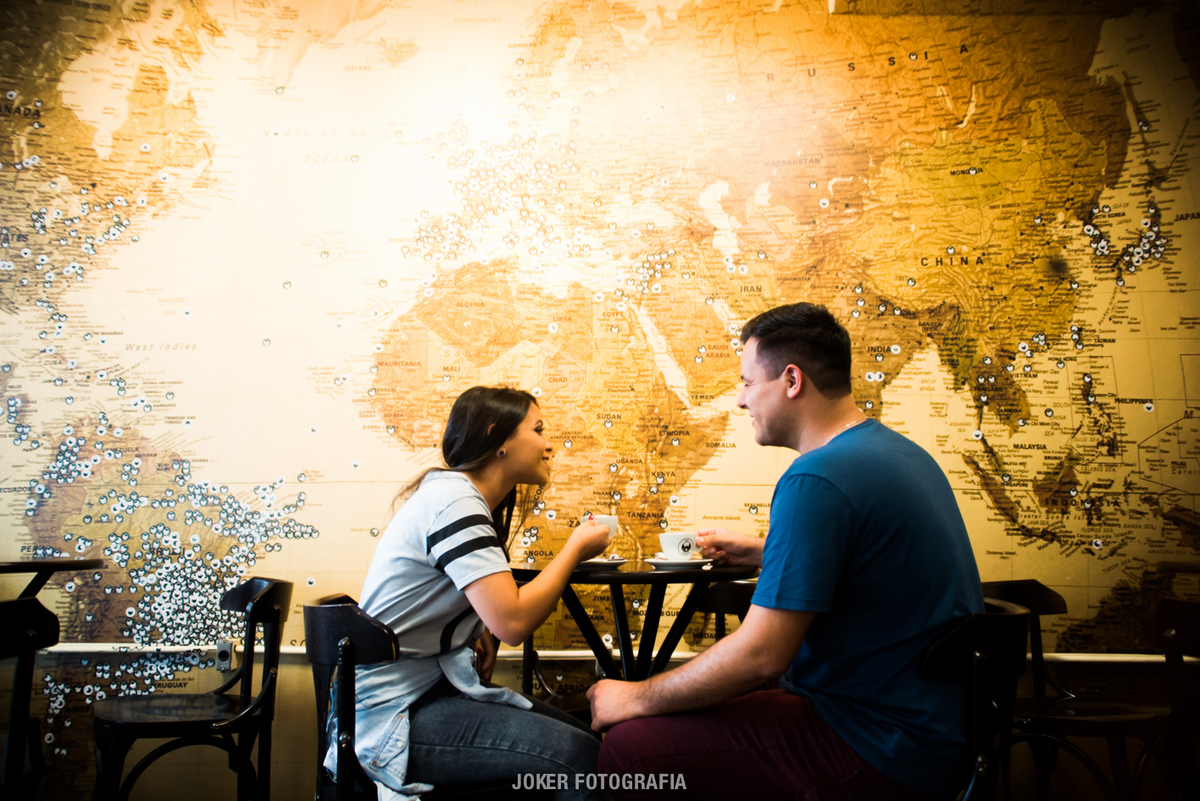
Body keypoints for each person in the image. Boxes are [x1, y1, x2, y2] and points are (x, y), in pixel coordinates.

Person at [588, 303, 984, 800]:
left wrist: (634, 696)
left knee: (630, 749)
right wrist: (764, 551)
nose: (739, 400)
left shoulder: (817, 478)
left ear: (791, 380)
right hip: (942, 736)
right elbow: (870, 563)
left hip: (882, 746)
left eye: (748, 382)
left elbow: (761, 656)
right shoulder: (897, 454)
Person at [335, 386, 612, 800]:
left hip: (418, 694)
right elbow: (513, 623)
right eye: (538, 430)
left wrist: (473, 625)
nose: (549, 444)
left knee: (593, 745)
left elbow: (471, 604)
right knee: (581, 758)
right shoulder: (455, 501)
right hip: (394, 716)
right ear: (497, 438)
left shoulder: (453, 495)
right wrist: (573, 550)